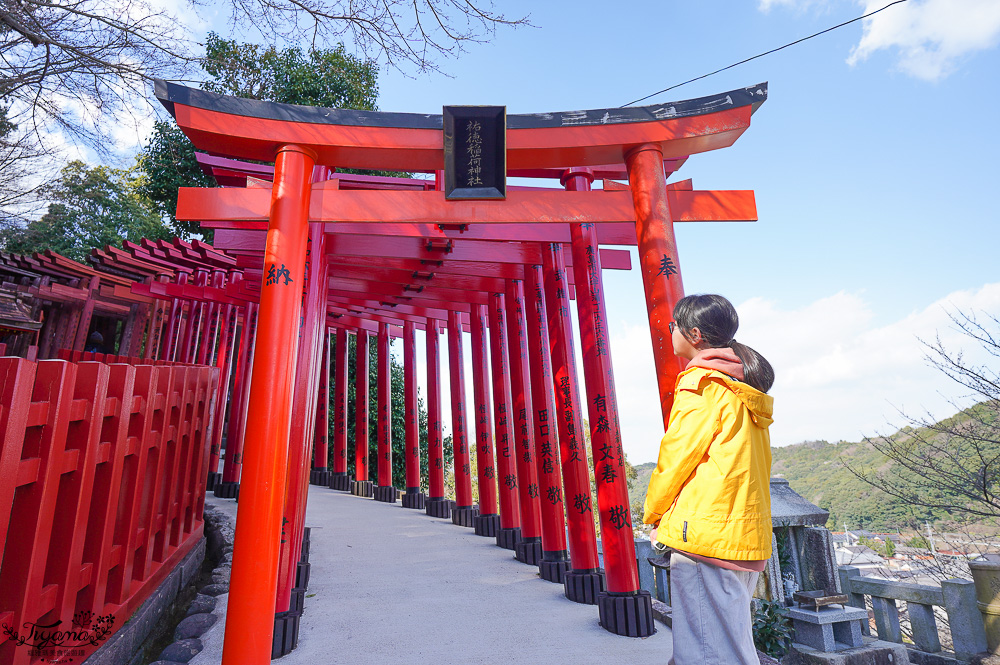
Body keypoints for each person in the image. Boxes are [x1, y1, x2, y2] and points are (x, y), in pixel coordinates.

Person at [643, 294, 775, 665]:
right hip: (739, 532)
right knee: (726, 644)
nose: (670, 332)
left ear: (694, 334)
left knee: (706, 652)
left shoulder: (702, 384)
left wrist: (653, 514)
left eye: (674, 326)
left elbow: (675, 460)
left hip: (706, 535)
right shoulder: (743, 386)